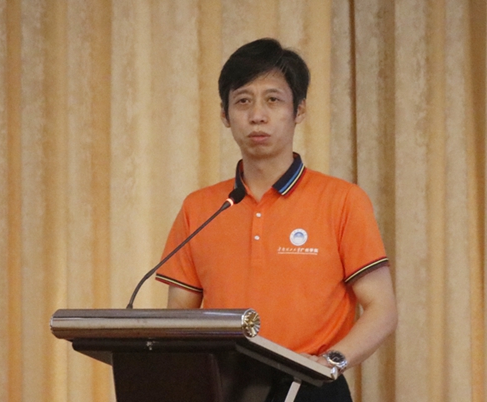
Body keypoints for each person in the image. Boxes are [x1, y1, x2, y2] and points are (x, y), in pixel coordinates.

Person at [156, 38, 397, 401]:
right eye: (243, 101)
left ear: (298, 110)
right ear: (225, 115)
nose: (257, 115)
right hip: (226, 387)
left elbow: (382, 308)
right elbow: (179, 316)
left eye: (273, 100)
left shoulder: (343, 200)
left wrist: (330, 362)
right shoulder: (200, 207)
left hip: (312, 385)